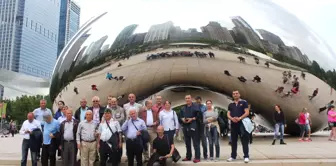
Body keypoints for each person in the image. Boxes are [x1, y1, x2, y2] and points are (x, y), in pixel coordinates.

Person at [227, 90, 250, 163]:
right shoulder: (231, 104)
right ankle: (233, 156)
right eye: (234, 94)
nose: (235, 95)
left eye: (236, 93)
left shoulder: (244, 103)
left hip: (242, 124)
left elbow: (247, 112)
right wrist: (232, 119)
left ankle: (246, 156)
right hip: (234, 124)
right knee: (233, 141)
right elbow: (228, 114)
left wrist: (239, 118)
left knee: (244, 140)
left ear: (239, 94)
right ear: (232, 95)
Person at [180, 95, 201, 163]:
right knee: (187, 143)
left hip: (194, 126)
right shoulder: (183, 108)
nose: (187, 99)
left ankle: (197, 157)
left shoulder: (196, 106)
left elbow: (199, 116)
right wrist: (182, 119)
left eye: (188, 98)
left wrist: (192, 119)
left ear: (191, 99)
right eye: (186, 98)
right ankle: (188, 156)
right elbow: (180, 117)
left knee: (195, 143)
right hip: (185, 127)